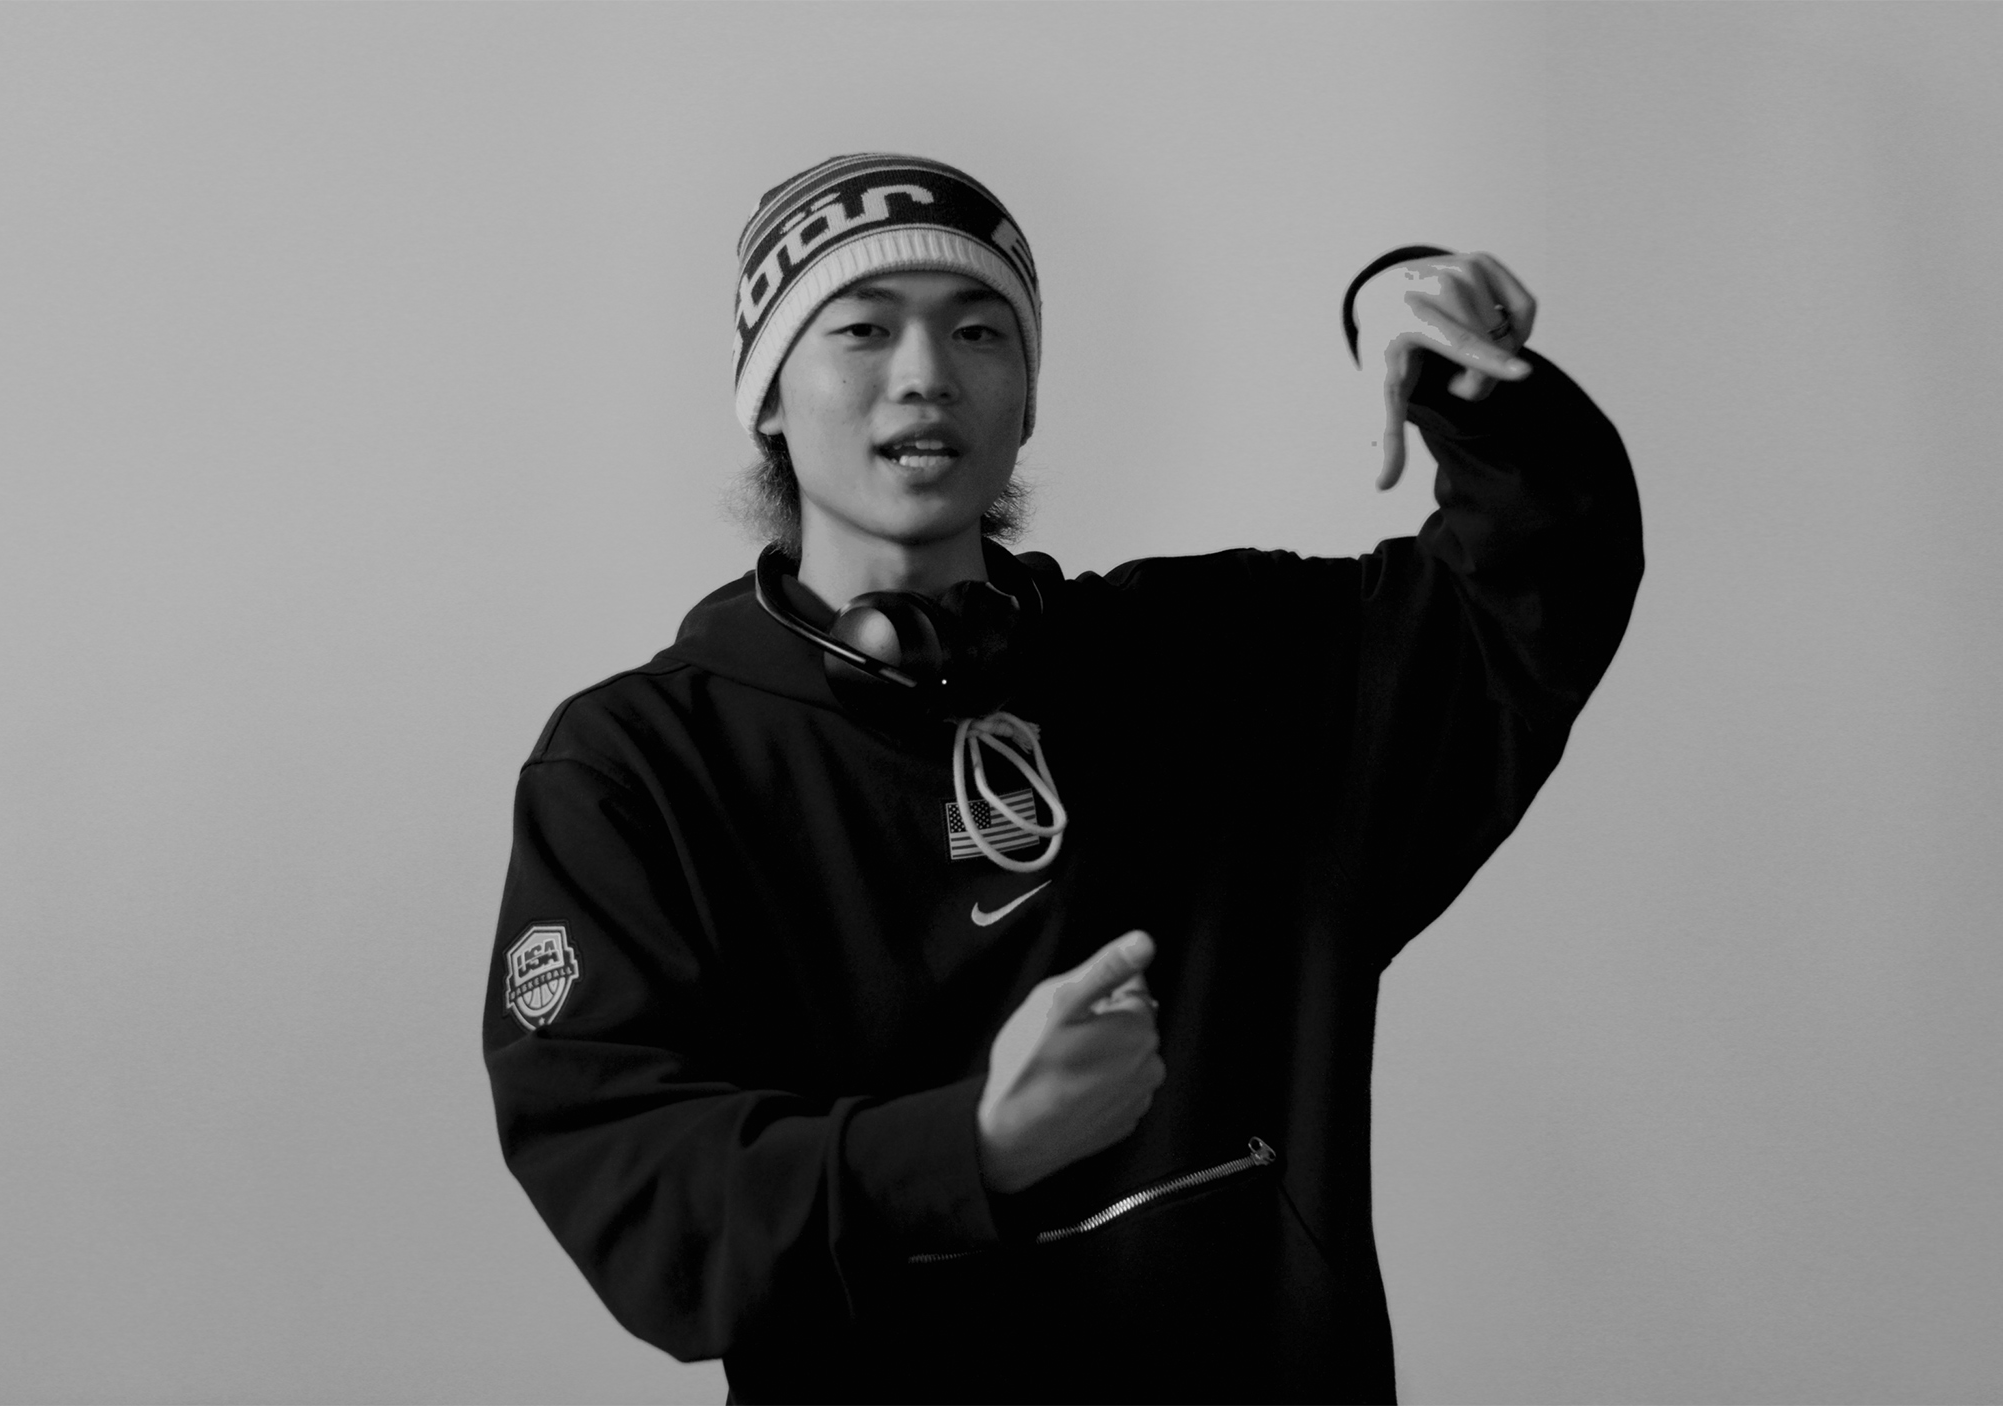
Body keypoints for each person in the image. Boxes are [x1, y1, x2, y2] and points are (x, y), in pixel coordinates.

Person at [482, 152, 1641, 1404]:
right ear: (767, 396)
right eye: (862, 327)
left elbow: (1536, 585)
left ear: (1027, 399)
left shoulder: (1225, 670)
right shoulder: (637, 767)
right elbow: (637, 1188)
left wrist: (1455, 371)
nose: (926, 373)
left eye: (978, 329)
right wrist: (967, 1146)